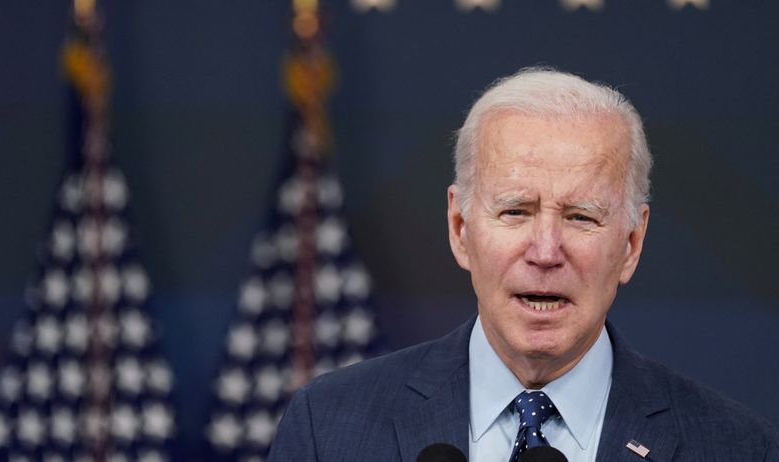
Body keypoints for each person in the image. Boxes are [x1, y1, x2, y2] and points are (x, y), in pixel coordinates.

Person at [266, 68, 779, 461]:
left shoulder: (736, 446)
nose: (545, 251)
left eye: (581, 217)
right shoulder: (327, 428)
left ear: (631, 243)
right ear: (460, 228)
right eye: (515, 211)